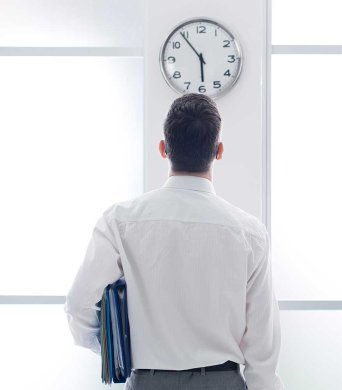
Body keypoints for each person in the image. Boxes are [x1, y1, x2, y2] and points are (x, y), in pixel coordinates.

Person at [64, 93, 285, 390]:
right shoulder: (250, 233)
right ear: (218, 151)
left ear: (163, 149)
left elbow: (79, 307)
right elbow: (263, 344)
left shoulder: (120, 221)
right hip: (223, 381)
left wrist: (114, 350)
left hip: (148, 381)